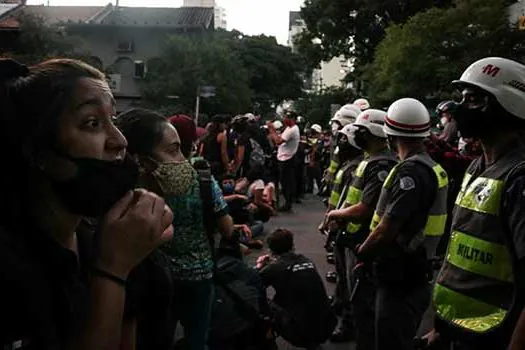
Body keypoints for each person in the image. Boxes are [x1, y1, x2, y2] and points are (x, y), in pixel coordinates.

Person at [0, 58, 173, 350]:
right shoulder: (10, 266)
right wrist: (112, 271)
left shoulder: (100, 238)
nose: (119, 141)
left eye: (114, 120)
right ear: (39, 152)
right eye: (92, 123)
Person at [419, 58, 525, 350]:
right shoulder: (477, 167)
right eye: (462, 99)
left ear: (509, 106)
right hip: (461, 331)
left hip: (497, 336)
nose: (460, 109)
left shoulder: (519, 178)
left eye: (474, 100)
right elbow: (460, 252)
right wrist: (443, 328)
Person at [116, 108, 234, 350]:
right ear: (142, 159)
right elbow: (227, 228)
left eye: (180, 148)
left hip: (157, 278)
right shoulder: (201, 179)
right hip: (197, 276)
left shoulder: (124, 194)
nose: (181, 159)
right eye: (172, 150)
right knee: (196, 339)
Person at [357, 98, 448, 350]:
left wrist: (362, 253)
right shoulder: (431, 167)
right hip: (418, 267)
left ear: (389, 134)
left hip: (401, 273)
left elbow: (387, 228)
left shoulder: (410, 173)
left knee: (391, 339)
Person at [326, 109, 397, 345]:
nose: (356, 137)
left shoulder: (381, 165)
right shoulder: (369, 161)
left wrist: (336, 213)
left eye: (361, 132)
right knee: (352, 292)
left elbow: (366, 207)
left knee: (362, 299)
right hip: (352, 236)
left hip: (363, 240)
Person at [257, 229, 337, 349]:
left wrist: (259, 267)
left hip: (299, 334)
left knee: (259, 299)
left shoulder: (274, 269)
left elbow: (252, 283)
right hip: (328, 326)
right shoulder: (306, 260)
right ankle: (312, 340)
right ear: (292, 246)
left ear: (271, 250)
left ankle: (267, 342)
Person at [266, 111, 300, 212]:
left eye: (287, 117)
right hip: (283, 157)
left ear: (293, 119)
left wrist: (271, 129)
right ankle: (287, 202)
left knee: (285, 182)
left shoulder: (292, 130)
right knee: (284, 181)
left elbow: (278, 141)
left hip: (287, 158)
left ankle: (288, 203)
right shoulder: (289, 128)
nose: (285, 119)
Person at [323, 105, 361, 195]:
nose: (334, 126)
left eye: (338, 123)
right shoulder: (338, 142)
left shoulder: (356, 145)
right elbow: (335, 160)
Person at [200, 115, 230, 181]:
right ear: (220, 124)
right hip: (218, 166)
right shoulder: (222, 136)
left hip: (207, 164)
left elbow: (201, 151)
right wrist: (227, 167)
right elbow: (223, 153)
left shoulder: (207, 136)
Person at [306, 124, 324, 194]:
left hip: (317, 159)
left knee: (318, 176)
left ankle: (321, 189)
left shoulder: (320, 139)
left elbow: (316, 149)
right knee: (309, 174)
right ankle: (310, 188)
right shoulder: (313, 138)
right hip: (311, 158)